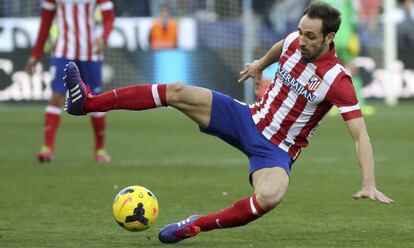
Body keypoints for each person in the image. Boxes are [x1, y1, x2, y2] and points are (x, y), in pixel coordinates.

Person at [64, 2, 393, 244]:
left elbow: (360, 135)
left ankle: (196, 225)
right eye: (300, 31)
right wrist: (259, 65)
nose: (301, 40)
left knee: (270, 197)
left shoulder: (338, 80)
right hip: (246, 118)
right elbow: (282, 46)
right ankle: (88, 103)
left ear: (329, 38)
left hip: (275, 150)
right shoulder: (295, 41)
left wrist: (368, 182)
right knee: (176, 91)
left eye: (310, 36)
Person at [25, 0, 115, 163]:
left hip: (91, 52)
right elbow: (45, 23)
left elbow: (109, 16)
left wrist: (104, 37)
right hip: (63, 51)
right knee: (56, 96)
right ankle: (47, 148)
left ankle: (100, 149)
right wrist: (35, 54)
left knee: (96, 100)